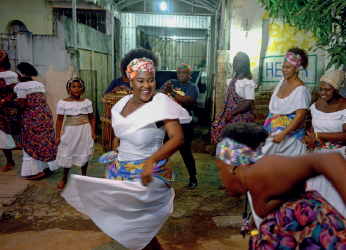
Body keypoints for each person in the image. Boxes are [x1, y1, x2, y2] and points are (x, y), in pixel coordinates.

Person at [61, 49, 192, 250]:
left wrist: (151, 161)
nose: (146, 86)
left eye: (151, 80)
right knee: (141, 233)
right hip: (122, 173)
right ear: (130, 81)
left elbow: (177, 138)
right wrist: (115, 153)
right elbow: (118, 135)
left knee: (135, 231)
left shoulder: (161, 103)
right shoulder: (121, 104)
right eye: (140, 81)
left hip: (149, 176)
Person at [216, 122, 346, 249]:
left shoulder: (257, 173)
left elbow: (329, 160)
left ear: (231, 167)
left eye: (219, 168)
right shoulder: (257, 182)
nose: (220, 176)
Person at [302, 69, 346, 217]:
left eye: (327, 90)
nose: (322, 93)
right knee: (315, 193)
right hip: (319, 156)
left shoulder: (344, 107)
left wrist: (318, 135)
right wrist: (310, 144)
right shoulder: (316, 106)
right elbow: (313, 126)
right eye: (321, 89)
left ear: (338, 89)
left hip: (337, 156)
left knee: (334, 196)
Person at [262, 47, 311, 156]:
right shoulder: (282, 82)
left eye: (288, 67)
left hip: (290, 141)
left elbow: (300, 117)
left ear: (297, 69)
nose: (284, 70)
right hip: (275, 134)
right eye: (283, 67)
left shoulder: (301, 90)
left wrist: (282, 134)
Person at [13, 62, 58, 180]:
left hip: (31, 119)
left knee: (31, 142)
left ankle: (36, 171)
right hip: (44, 117)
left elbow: (22, 105)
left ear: (21, 74)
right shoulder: (39, 85)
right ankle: (46, 168)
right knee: (44, 141)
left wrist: (12, 104)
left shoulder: (21, 86)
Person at [160, 63, 199, 188]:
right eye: (179, 72)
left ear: (189, 75)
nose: (181, 75)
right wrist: (165, 91)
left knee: (185, 152)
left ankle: (193, 178)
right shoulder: (171, 82)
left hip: (184, 124)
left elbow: (187, 101)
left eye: (184, 72)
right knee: (164, 149)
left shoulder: (192, 87)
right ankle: (161, 176)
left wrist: (171, 92)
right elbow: (160, 94)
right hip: (169, 121)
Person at [55, 78, 96, 189]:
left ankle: (84, 177)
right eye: (74, 87)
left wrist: (92, 132)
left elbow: (92, 118)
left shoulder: (86, 102)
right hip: (70, 131)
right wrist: (57, 136)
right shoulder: (63, 103)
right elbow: (59, 120)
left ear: (82, 89)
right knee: (68, 152)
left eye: (79, 86)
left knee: (84, 151)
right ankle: (64, 178)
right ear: (69, 89)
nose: (77, 89)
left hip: (84, 130)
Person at [210, 51, 256, 144]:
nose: (235, 64)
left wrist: (232, 113)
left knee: (238, 144)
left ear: (245, 64)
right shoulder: (234, 80)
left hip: (241, 118)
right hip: (231, 117)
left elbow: (249, 101)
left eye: (239, 61)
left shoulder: (247, 81)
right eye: (235, 61)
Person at [0, 49, 18, 172]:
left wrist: (3, 101)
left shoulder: (9, 75)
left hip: (2, 108)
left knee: (3, 134)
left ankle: (10, 160)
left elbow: (14, 92)